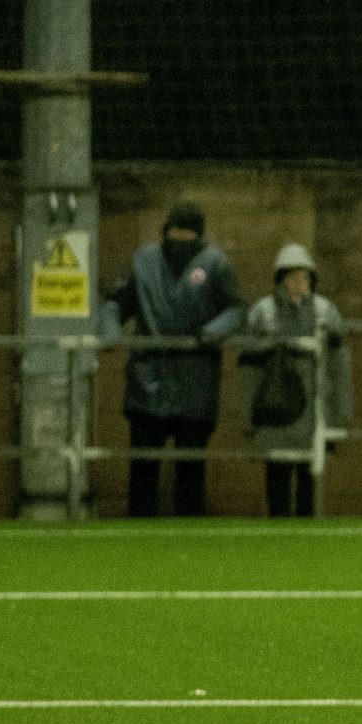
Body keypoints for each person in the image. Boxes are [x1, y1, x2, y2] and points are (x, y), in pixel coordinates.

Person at [99, 202, 246, 516]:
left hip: (195, 383)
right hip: (148, 383)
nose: (179, 242)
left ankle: (188, 535)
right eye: (175, 235)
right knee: (143, 472)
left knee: (190, 475)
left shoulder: (215, 264)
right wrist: (109, 332)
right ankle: (140, 535)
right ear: (165, 231)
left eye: (187, 236)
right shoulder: (143, 261)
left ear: (199, 236)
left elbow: (236, 309)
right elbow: (115, 304)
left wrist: (211, 332)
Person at [240, 244, 353, 517]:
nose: (299, 284)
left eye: (305, 277)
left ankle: (306, 536)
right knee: (276, 481)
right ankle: (277, 536)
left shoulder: (326, 313)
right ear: (280, 280)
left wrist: (341, 415)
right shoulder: (262, 313)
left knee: (309, 485)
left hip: (315, 414)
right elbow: (247, 371)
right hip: (274, 413)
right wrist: (246, 416)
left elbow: (340, 368)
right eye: (292, 277)